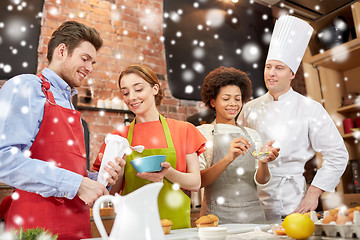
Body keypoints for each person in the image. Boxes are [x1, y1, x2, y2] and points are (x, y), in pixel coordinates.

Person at [0, 21, 124, 239]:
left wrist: (97, 178)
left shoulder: (67, 103)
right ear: (62, 50)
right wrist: (77, 184)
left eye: (93, 62)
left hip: (76, 226)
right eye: (85, 59)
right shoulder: (27, 87)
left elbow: (64, 170)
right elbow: (4, 160)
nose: (90, 68)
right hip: (36, 227)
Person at [238, 15, 349, 220]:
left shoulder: (310, 108)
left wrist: (313, 194)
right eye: (268, 66)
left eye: (279, 68)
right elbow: (239, 153)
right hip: (252, 201)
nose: (271, 73)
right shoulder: (248, 109)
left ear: (292, 73)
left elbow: (338, 155)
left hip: (293, 201)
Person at [92, 64, 207, 229]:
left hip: (175, 226)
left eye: (138, 89)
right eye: (125, 92)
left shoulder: (184, 130)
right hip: (133, 226)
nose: (131, 97)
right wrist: (117, 172)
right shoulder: (117, 138)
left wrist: (168, 173)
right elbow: (110, 193)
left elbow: (195, 183)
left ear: (155, 89)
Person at [197, 66, 280, 224]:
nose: (233, 104)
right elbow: (199, 181)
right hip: (217, 218)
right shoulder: (203, 133)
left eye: (237, 98)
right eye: (226, 98)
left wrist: (263, 163)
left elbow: (261, 181)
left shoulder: (252, 134)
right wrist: (228, 158)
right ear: (213, 101)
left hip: (254, 217)